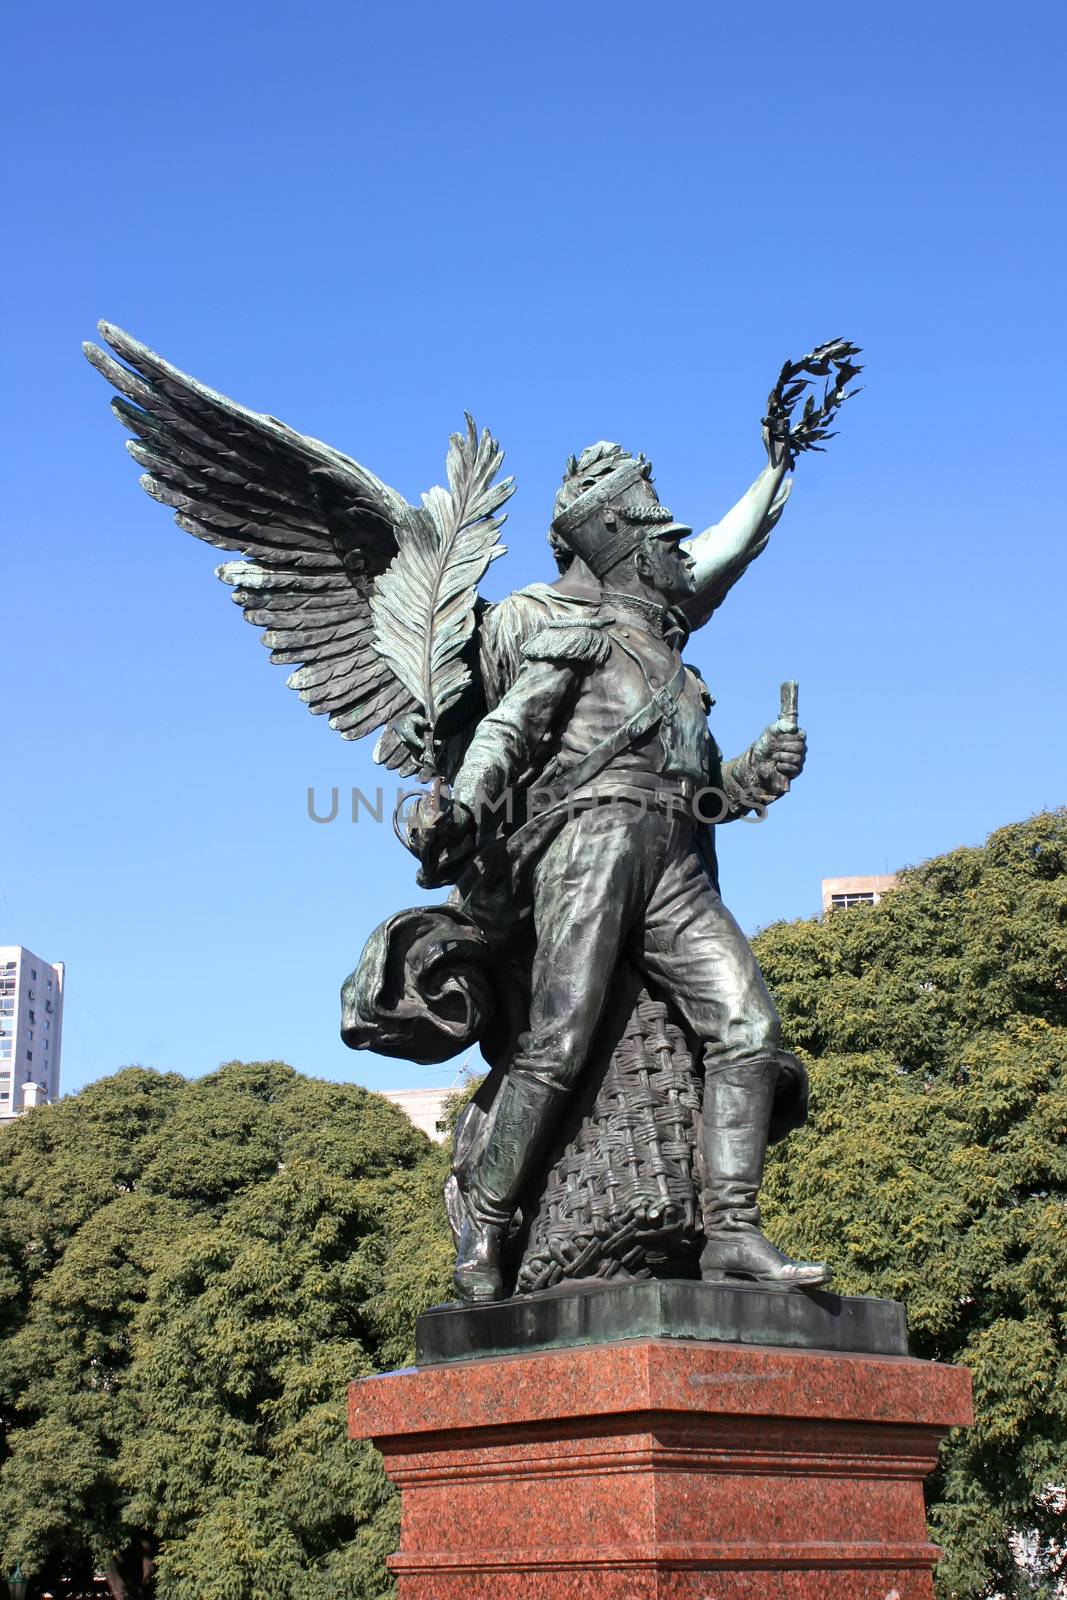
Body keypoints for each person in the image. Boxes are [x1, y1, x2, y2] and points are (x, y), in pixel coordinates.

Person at [410, 444, 830, 1302]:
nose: (672, 550)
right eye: (655, 536)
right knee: (556, 1046)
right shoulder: (577, 633)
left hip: (676, 858)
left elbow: (707, 795)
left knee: (747, 1028)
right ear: (619, 541)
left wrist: (760, 769)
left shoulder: (678, 664)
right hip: (591, 845)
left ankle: (733, 1233)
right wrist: (463, 802)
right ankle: (487, 1225)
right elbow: (509, 733)